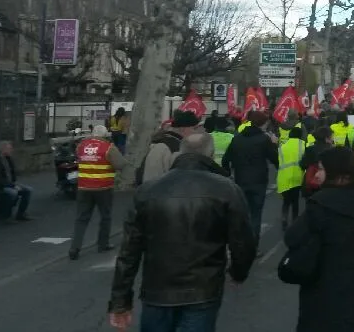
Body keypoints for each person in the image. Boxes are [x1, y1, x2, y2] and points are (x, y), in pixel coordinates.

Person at [108, 133, 256, 332]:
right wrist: (238, 273)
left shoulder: (148, 191)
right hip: (203, 289)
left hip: (157, 289)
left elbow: (129, 251)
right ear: (210, 154)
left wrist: (120, 301)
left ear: (179, 153)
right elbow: (243, 242)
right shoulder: (226, 189)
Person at [281, 146, 354, 331]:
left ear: (336, 172)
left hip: (326, 297)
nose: (316, 175)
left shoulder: (321, 204)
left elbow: (293, 237)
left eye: (321, 169)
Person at [69, 126, 132, 260]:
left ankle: (75, 247)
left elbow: (79, 158)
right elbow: (120, 164)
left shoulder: (81, 146)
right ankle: (103, 244)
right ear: (105, 135)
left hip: (84, 188)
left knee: (81, 219)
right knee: (105, 216)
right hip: (103, 188)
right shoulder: (108, 147)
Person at [222, 110, 278, 243]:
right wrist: (274, 145)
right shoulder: (264, 139)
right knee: (256, 214)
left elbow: (225, 160)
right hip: (259, 181)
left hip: (240, 180)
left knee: (242, 213)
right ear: (262, 124)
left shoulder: (237, 138)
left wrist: (228, 173)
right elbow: (275, 159)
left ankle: (240, 242)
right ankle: (253, 244)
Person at [141, 110, 200, 183]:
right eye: (194, 128)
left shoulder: (164, 143)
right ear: (182, 128)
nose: (197, 132)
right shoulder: (170, 147)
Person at [0, 141, 33, 222]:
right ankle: (5, 215)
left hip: (8, 184)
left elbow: (11, 172)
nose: (11, 150)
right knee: (13, 192)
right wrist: (11, 185)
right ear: (3, 150)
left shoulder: (8, 159)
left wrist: (13, 183)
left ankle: (21, 214)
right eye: (9, 149)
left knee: (28, 190)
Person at [277, 125, 306, 231]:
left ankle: (284, 218)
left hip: (284, 177)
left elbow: (278, 162)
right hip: (297, 177)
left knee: (286, 201)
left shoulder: (282, 147)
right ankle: (294, 221)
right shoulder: (302, 145)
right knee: (295, 201)